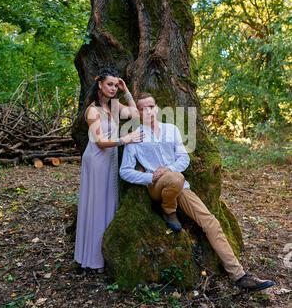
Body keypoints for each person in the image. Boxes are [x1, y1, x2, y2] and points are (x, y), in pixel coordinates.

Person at [119, 92, 275, 292]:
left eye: (151, 106)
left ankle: (239, 276)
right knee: (175, 178)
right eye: (143, 108)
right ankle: (168, 209)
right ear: (138, 112)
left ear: (157, 108)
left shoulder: (171, 130)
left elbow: (183, 159)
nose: (148, 111)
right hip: (156, 186)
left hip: (179, 185)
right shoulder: (136, 137)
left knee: (211, 222)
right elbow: (125, 171)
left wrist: (168, 169)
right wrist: (150, 177)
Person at [74, 69, 143, 273]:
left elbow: (136, 114)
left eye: (115, 85)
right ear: (99, 85)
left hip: (110, 159)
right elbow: (101, 142)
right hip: (96, 160)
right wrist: (126, 139)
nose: (113, 88)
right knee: (95, 206)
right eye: (110, 84)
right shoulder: (92, 111)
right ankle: (90, 259)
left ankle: (102, 255)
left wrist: (126, 91)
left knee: (108, 203)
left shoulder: (114, 107)